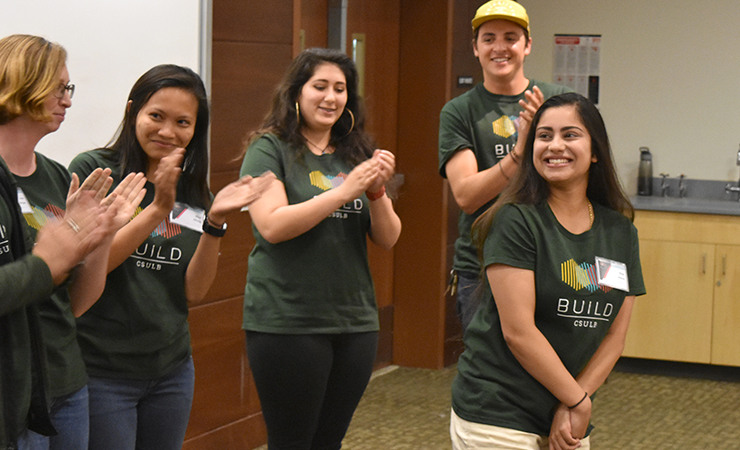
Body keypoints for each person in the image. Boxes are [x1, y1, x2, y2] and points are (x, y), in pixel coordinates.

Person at [68, 64, 273, 450]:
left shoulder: (192, 193)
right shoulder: (95, 172)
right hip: (102, 369)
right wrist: (157, 210)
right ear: (133, 112)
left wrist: (214, 221)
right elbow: (88, 269)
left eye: (182, 122)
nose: (167, 132)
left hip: (171, 370)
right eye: (156, 116)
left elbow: (194, 291)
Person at [449, 92, 645, 450]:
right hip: (497, 410)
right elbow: (519, 333)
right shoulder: (515, 220)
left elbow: (613, 337)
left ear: (595, 149)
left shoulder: (619, 232)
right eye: (544, 135)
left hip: (566, 410)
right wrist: (578, 400)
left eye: (570, 135)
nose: (556, 145)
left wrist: (574, 401)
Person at [239, 47, 402, 450]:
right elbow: (272, 224)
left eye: (340, 89)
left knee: (329, 441)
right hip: (289, 321)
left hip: (354, 320)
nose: (331, 98)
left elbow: (389, 237)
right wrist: (345, 191)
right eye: (320, 86)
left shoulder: (355, 152)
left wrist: (378, 191)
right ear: (296, 91)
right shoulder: (269, 149)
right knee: (292, 441)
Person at [0, 34, 146, 450]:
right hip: (11, 394)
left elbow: (75, 303)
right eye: (59, 88)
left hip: (65, 383)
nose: (67, 100)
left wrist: (100, 237)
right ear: (22, 82)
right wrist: (49, 258)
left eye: (69, 89)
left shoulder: (57, 176)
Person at [439, 0, 571, 329]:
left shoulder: (558, 101)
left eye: (510, 37)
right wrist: (520, 151)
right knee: (488, 372)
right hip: (481, 267)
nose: (500, 47)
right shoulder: (459, 112)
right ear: (475, 48)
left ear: (527, 46)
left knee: (553, 365)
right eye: (489, 38)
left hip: (551, 259)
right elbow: (467, 195)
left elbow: (577, 179)